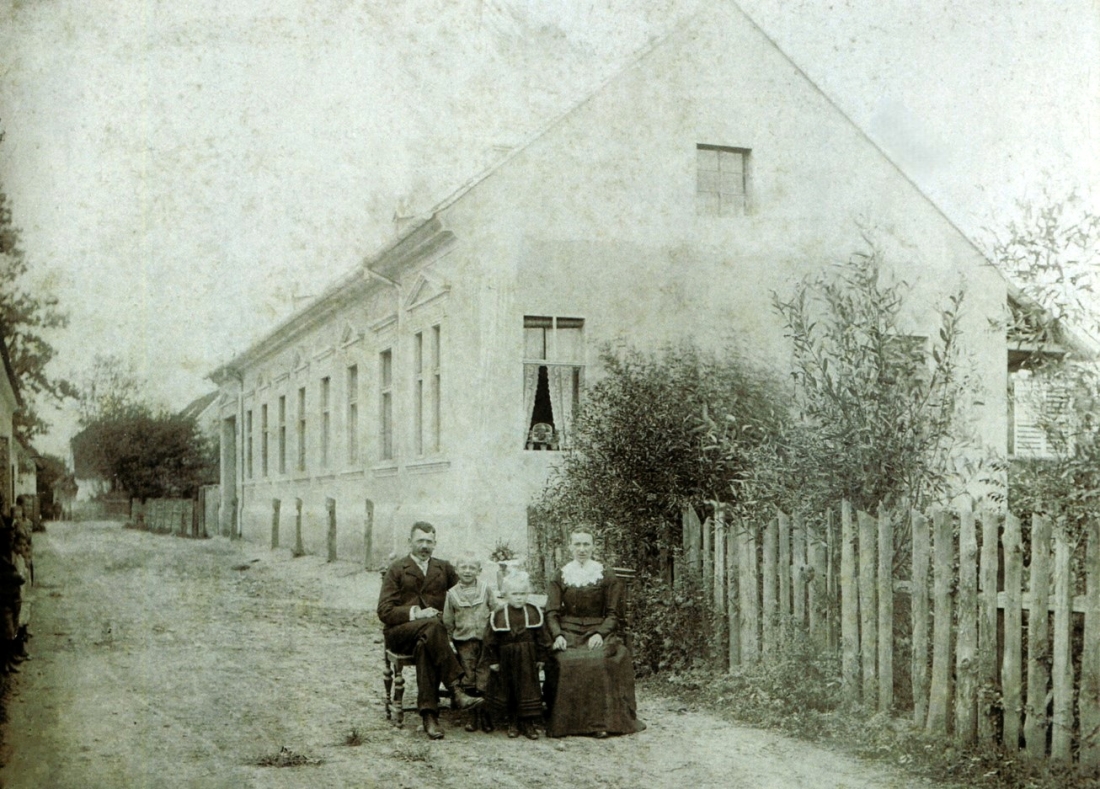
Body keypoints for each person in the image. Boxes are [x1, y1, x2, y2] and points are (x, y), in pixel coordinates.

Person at [377, 521, 484, 740]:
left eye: (429, 541)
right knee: (434, 625)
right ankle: (456, 689)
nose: (425, 546)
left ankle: (429, 716)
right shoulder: (397, 568)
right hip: (400, 633)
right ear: (410, 542)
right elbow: (384, 611)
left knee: (427, 643)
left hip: (430, 637)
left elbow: (466, 589)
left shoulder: (443, 567)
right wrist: (416, 612)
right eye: (420, 541)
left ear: (435, 543)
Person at [543, 531, 641, 738]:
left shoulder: (606, 575)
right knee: (566, 660)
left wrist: (600, 633)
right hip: (568, 631)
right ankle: (566, 723)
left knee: (597, 660)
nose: (582, 549)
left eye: (586, 544)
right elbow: (551, 612)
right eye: (577, 544)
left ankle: (601, 723)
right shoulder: (560, 574)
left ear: (594, 547)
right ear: (569, 546)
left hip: (599, 630)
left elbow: (614, 614)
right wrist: (557, 635)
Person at [485, 571, 552, 740]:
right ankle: (513, 721)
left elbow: (542, 638)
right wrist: (493, 660)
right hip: (506, 658)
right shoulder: (499, 614)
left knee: (528, 689)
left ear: (527, 594)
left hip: (528, 659)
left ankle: (528, 722)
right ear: (506, 595)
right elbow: (490, 640)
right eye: (514, 594)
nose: (519, 598)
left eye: (523, 594)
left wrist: (541, 657)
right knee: (509, 688)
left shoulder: (534, 612)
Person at [442, 552, 494, 732]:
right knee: (469, 675)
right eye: (463, 567)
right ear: (456, 570)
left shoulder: (486, 589)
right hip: (463, 642)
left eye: (472, 567)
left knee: (485, 674)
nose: (468, 571)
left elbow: (495, 611)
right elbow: (448, 620)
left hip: (485, 641)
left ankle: (486, 714)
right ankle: (472, 715)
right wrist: (449, 640)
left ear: (479, 570)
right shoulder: (452, 594)